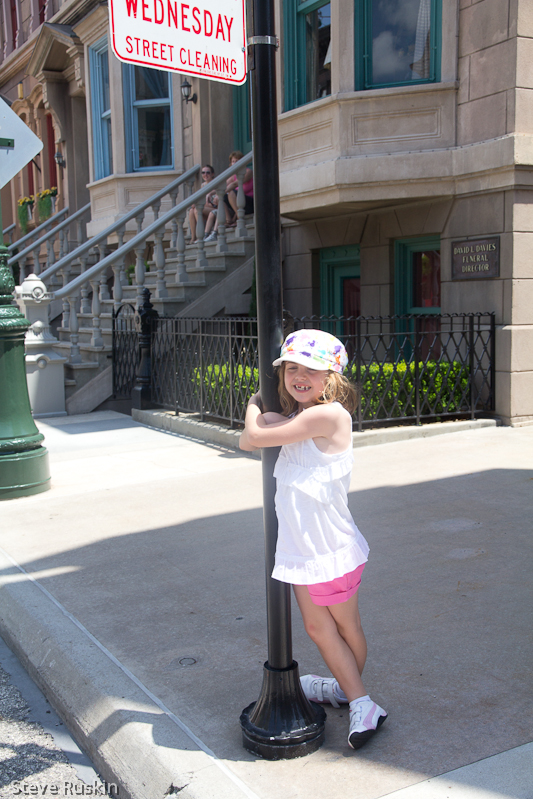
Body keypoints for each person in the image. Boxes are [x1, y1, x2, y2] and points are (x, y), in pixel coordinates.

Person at [239, 329, 387, 750]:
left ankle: (359, 700)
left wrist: (254, 402)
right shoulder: (298, 419)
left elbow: (254, 435)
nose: (299, 377)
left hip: (330, 547)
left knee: (344, 625)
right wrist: (262, 415)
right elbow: (247, 440)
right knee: (318, 627)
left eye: (311, 370)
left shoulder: (330, 416)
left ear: (331, 378)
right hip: (301, 549)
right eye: (291, 369)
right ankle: (346, 687)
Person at [188, 164, 218, 243]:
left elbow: (214, 203)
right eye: (203, 172)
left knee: (197, 209)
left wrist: (199, 205)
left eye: (208, 172)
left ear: (212, 174)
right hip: (206, 208)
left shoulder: (216, 184)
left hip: (214, 209)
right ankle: (193, 237)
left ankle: (202, 234)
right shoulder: (203, 185)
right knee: (191, 211)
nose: (205, 174)